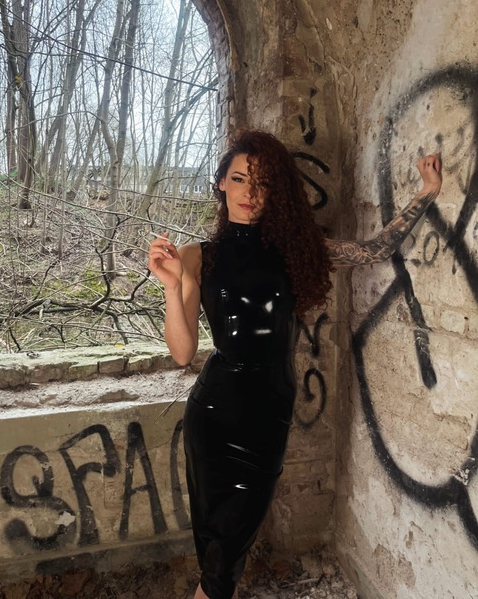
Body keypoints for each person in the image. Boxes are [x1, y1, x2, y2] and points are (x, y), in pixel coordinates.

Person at [147, 130, 442, 599]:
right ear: (221, 182)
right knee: (215, 535)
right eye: (239, 178)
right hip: (215, 410)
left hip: (269, 409)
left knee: (236, 530)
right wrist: (170, 286)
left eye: (262, 182)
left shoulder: (295, 250)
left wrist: (427, 192)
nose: (249, 191)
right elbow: (182, 353)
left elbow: (374, 250)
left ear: (275, 192)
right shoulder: (195, 256)